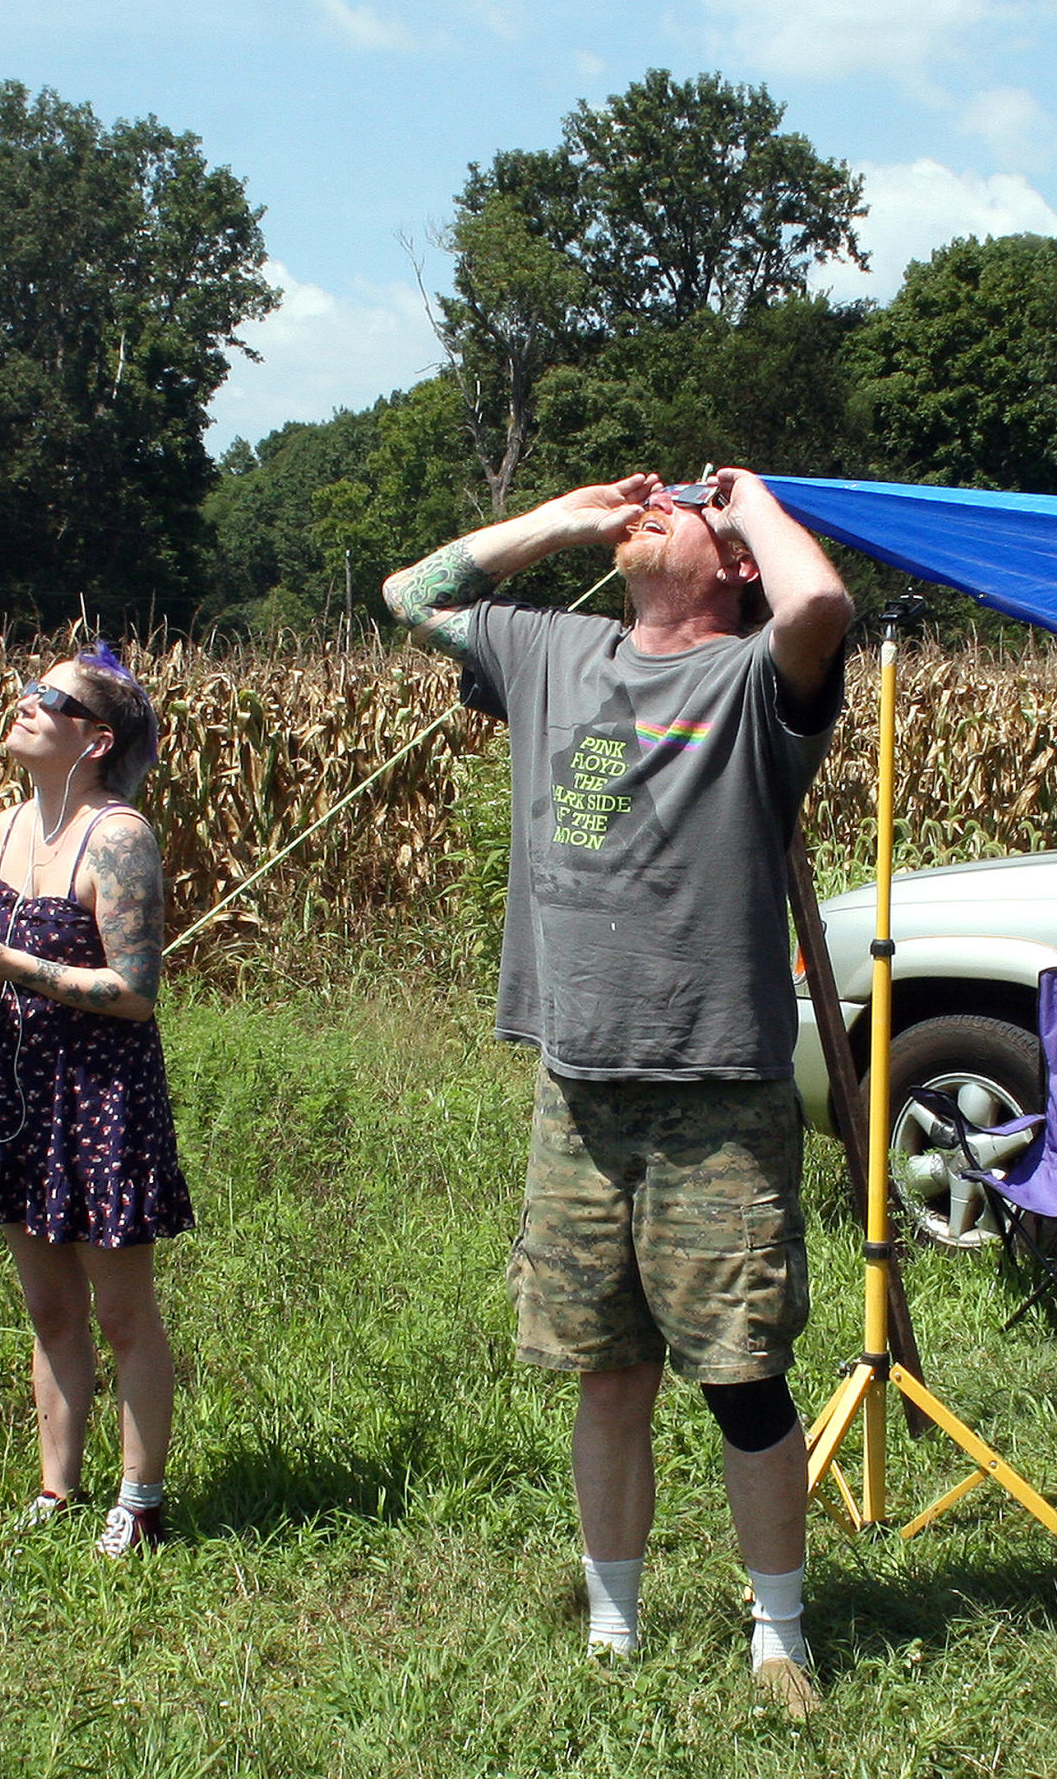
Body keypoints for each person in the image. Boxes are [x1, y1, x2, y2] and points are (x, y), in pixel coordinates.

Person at [382, 467, 851, 1713]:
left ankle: (780, 1633)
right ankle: (613, 1626)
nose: (656, 512)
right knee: (607, 1370)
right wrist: (564, 521)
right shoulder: (552, 652)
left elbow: (819, 608)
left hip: (715, 1088)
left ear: (737, 557)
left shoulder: (754, 684)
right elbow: (410, 593)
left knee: (741, 1369)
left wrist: (746, 501)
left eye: (682, 510)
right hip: (576, 1085)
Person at [0, 643, 190, 1559]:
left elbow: (138, 991)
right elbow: (10, 968)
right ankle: (57, 1487)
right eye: (30, 691)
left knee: (121, 1311)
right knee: (46, 1307)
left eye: (53, 700)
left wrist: (15, 966)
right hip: (16, 1083)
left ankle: (142, 1501)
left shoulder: (119, 837)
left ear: (94, 740)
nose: (26, 705)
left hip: (101, 1094)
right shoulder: (2, 827)